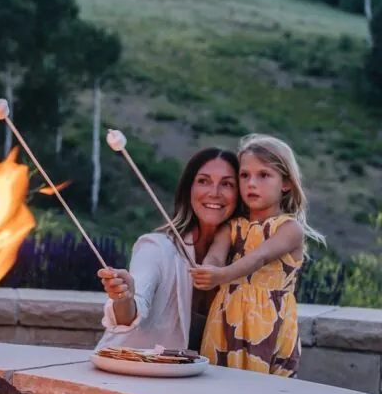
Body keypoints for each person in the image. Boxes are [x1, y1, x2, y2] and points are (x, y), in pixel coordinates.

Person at [192, 134, 324, 377]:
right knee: (217, 389)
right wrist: (208, 269)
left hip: (269, 325)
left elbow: (257, 259)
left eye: (263, 175)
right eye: (244, 176)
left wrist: (220, 276)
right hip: (225, 321)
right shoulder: (232, 227)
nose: (251, 183)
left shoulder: (288, 229)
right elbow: (215, 256)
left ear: (286, 183)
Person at [97, 147, 239, 352]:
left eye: (226, 184)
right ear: (188, 189)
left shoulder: (242, 261)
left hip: (199, 380)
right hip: (134, 373)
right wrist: (124, 297)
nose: (214, 193)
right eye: (203, 181)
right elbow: (131, 311)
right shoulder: (157, 248)